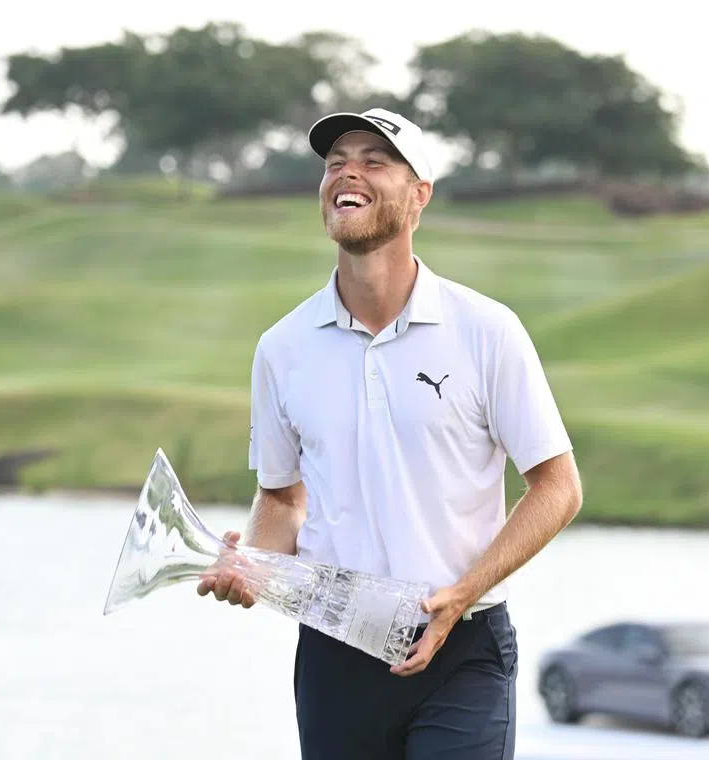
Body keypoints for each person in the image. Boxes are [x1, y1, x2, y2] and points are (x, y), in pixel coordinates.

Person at [196, 107, 583, 760]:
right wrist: (252, 566)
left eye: (375, 160)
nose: (348, 171)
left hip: (463, 646)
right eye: (335, 162)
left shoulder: (487, 330)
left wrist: (461, 595)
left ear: (419, 194)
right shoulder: (282, 347)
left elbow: (558, 487)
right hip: (335, 650)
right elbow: (283, 499)